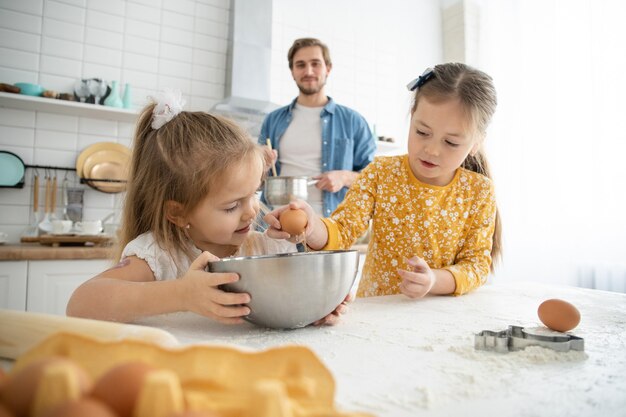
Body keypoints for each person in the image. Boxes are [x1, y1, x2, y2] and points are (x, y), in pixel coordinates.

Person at [66, 90, 306, 324]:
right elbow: (81, 303)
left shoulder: (263, 247)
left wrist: (321, 308)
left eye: (254, 194)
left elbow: (302, 294)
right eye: (232, 206)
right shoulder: (161, 256)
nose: (252, 211)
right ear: (178, 213)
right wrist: (183, 294)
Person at [266, 63, 502, 299]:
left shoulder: (479, 191)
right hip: (378, 312)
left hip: (440, 317)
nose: (432, 150)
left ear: (476, 142)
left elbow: (476, 265)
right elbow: (343, 229)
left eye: (450, 142)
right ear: (412, 117)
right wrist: (311, 226)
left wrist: (433, 281)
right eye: (422, 132)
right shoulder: (381, 172)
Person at [259, 37, 376, 216]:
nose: (308, 71)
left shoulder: (353, 121)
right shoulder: (273, 120)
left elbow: (373, 177)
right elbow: (257, 179)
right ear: (292, 71)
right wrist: (260, 163)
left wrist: (344, 177)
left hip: (330, 225)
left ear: (328, 68)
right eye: (300, 65)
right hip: (277, 221)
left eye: (315, 63)